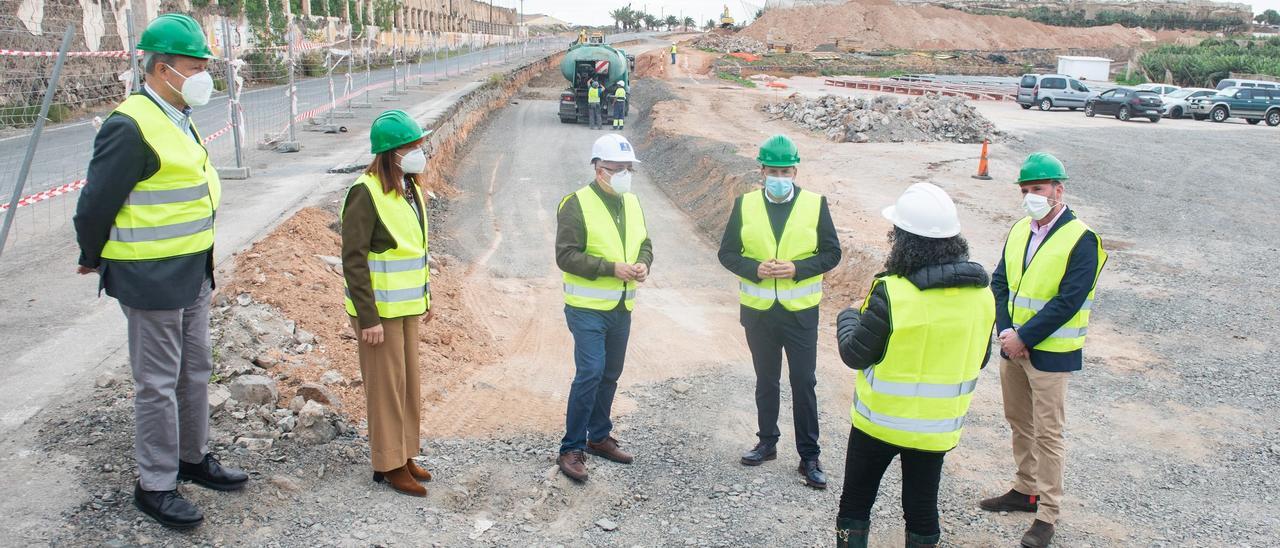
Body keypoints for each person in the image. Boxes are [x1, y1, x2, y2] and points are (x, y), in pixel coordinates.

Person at [72, 13, 246, 529]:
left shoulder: (176, 114)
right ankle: (155, 484)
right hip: (150, 277)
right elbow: (95, 202)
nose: (203, 76)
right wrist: (91, 254)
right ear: (163, 68)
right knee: (156, 382)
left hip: (192, 269)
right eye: (195, 66)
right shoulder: (130, 124)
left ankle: (192, 458)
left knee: (194, 371)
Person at [833, 183, 996, 548]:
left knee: (856, 503)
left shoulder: (892, 293)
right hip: (935, 431)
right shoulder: (983, 297)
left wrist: (846, 317)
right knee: (922, 509)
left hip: (878, 425)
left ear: (904, 241)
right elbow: (980, 357)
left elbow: (855, 354)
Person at [979, 152, 1106, 548]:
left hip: (1048, 354)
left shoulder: (1082, 239)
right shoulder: (1019, 230)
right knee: (1019, 421)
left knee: (1049, 434)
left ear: (1057, 190)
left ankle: (1047, 513)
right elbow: (999, 282)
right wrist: (1005, 331)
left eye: (1038, 189)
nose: (1031, 196)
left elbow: (1069, 300)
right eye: (1026, 190)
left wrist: (1024, 338)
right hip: (1012, 346)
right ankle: (1024, 489)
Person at [717, 135, 841, 489]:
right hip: (759, 313)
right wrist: (754, 268)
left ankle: (809, 456)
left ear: (795, 170)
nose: (780, 176)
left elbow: (832, 254)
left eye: (786, 170)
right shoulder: (745, 205)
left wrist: (797, 269)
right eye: (773, 170)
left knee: (804, 382)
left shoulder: (816, 205)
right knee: (766, 380)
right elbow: (727, 253)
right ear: (762, 171)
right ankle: (767, 442)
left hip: (800, 313)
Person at [340, 110, 435, 497]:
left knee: (407, 384)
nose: (419, 151)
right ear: (391, 152)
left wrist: (426, 296)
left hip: (407, 307)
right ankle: (388, 463)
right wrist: (368, 318)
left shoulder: (408, 188)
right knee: (385, 389)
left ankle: (405, 452)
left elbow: (414, 249)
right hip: (378, 314)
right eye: (411, 146)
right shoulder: (366, 192)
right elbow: (354, 259)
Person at [555, 134, 654, 482]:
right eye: (617, 169)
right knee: (591, 373)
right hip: (587, 308)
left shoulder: (631, 201)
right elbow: (565, 255)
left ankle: (598, 437)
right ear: (599, 170)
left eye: (629, 168)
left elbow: (645, 243)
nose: (625, 174)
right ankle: (571, 447)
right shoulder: (576, 203)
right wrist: (611, 268)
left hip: (621, 306)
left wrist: (643, 263)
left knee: (610, 374)